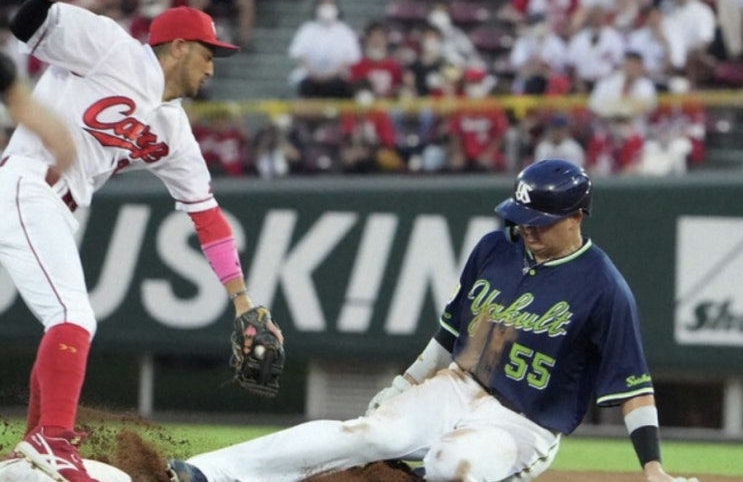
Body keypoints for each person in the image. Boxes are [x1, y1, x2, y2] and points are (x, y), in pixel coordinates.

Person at [167, 159, 698, 482]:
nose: (527, 230)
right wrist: (405, 384)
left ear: (578, 215)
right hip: (456, 384)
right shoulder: (496, 248)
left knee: (450, 466)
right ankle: (213, 471)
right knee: (364, 433)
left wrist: (651, 465)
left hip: (523, 421)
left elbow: (634, 387)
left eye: (540, 221)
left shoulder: (604, 287)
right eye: (521, 218)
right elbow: (448, 333)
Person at [0, 0, 282, 481]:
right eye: (207, 52)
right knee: (72, 316)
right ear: (177, 47)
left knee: (64, 319)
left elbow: (207, 216)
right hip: (26, 182)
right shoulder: (112, 48)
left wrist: (242, 300)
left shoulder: (173, 130)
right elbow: (28, 27)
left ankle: (34, 441)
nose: (213, 65)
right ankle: (52, 440)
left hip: (59, 206)